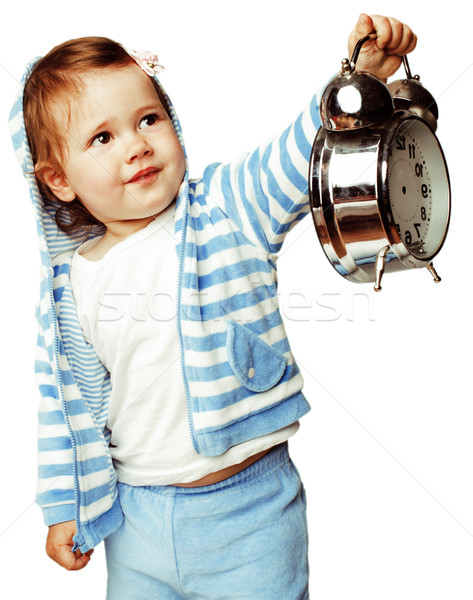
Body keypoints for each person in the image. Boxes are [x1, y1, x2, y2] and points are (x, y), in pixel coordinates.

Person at [9, 13, 416, 599]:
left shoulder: (224, 208)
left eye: (149, 119)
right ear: (58, 179)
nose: (137, 145)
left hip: (250, 515)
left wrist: (356, 81)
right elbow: (62, 407)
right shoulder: (68, 286)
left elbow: (294, 151)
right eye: (103, 138)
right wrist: (63, 502)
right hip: (135, 523)